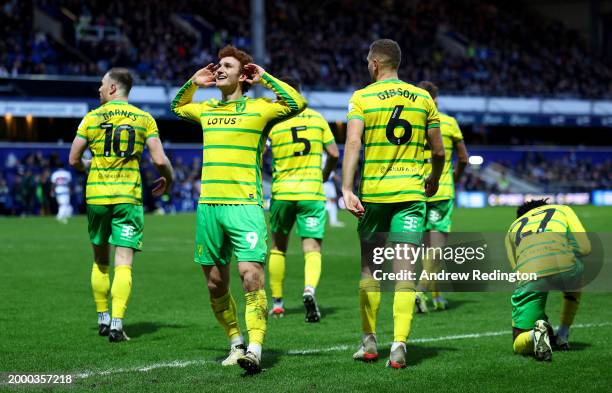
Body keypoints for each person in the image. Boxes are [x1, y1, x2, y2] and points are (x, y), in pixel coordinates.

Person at [170, 45, 306, 373]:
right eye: (218, 65)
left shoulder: (259, 108)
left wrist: (266, 79)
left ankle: (255, 349)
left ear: (242, 75)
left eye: (226, 66)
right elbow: (176, 106)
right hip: (209, 208)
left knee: (250, 275)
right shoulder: (207, 109)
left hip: (244, 205)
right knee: (216, 283)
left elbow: (296, 103)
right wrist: (193, 82)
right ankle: (235, 343)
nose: (219, 69)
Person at [341, 39, 444, 369]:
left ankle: (369, 343)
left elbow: (353, 141)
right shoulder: (423, 98)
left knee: (370, 268)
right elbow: (439, 151)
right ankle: (399, 345)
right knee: (404, 273)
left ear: (374, 64)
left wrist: (346, 187)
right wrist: (434, 178)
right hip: (411, 195)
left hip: (375, 195)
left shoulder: (362, 98)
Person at [69, 67, 174, 343]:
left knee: (100, 261)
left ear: (113, 88)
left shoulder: (91, 118)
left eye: (102, 85)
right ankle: (117, 323)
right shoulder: (144, 118)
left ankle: (102, 317)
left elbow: (73, 159)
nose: (99, 89)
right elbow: (160, 160)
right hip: (128, 197)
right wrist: (168, 180)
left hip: (97, 197)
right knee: (124, 262)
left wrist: (86, 165)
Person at [267, 76, 339, 322]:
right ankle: (309, 289)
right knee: (312, 249)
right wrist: (324, 175)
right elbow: (333, 153)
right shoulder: (317, 119)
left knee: (278, 248)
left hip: (282, 192)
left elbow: (259, 153)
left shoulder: (273, 121)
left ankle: (277, 303)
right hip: (311, 191)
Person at [505, 199, 590, 361]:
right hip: (566, 267)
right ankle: (563, 334)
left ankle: (534, 334)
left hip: (529, 274)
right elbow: (585, 248)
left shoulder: (512, 228)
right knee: (577, 268)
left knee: (518, 340)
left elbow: (517, 271)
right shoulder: (562, 209)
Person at [414, 81, 469, 312]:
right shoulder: (448, 122)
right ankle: (419, 292)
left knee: (427, 250)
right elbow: (464, 159)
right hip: (441, 188)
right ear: (436, 99)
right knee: (436, 249)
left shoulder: (412, 120)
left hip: (415, 189)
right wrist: (455, 178)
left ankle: (436, 298)